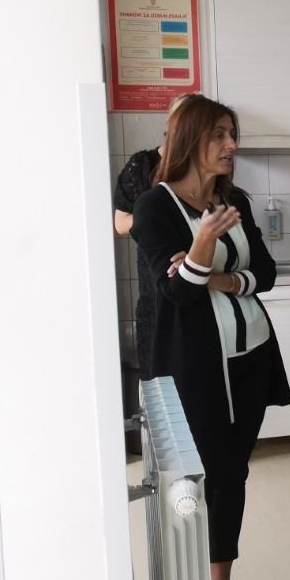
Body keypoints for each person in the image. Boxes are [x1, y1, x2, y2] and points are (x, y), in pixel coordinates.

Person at [131, 95, 290, 580]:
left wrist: (215, 276)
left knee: (233, 472)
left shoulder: (232, 198)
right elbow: (176, 292)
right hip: (196, 367)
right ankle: (186, 578)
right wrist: (201, 245)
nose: (231, 145)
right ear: (190, 139)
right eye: (219, 135)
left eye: (232, 134)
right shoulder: (155, 206)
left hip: (252, 356)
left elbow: (265, 273)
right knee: (200, 476)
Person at [113, 92, 189, 379]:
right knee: (159, 381)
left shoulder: (205, 166)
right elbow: (120, 224)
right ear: (170, 124)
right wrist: (158, 216)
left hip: (200, 285)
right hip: (154, 289)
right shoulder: (142, 165)